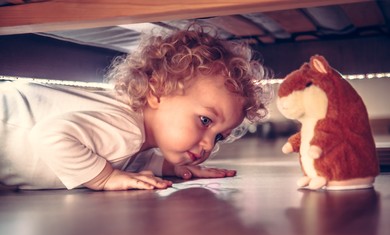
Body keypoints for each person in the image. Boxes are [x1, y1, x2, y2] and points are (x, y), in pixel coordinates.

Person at [0, 25, 270, 191]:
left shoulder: (136, 134)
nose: (209, 145)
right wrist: (104, 178)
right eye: (205, 121)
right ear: (158, 92)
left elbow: (121, 156)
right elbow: (48, 136)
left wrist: (170, 167)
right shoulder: (125, 127)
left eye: (219, 136)